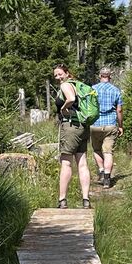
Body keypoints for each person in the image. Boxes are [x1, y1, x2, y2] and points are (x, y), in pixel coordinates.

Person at [51, 64, 92, 209]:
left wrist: (63, 108)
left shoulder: (66, 85)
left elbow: (71, 98)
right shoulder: (77, 85)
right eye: (55, 75)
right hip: (82, 126)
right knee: (82, 163)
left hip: (70, 126)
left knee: (66, 163)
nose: (58, 77)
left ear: (67, 73)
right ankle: (86, 199)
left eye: (60, 74)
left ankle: (62, 200)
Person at [91, 68, 123, 187]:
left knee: (96, 149)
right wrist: (120, 126)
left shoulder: (93, 89)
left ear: (100, 76)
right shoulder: (115, 90)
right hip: (110, 125)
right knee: (108, 152)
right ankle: (107, 179)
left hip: (95, 124)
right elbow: (119, 110)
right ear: (110, 77)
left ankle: (101, 170)